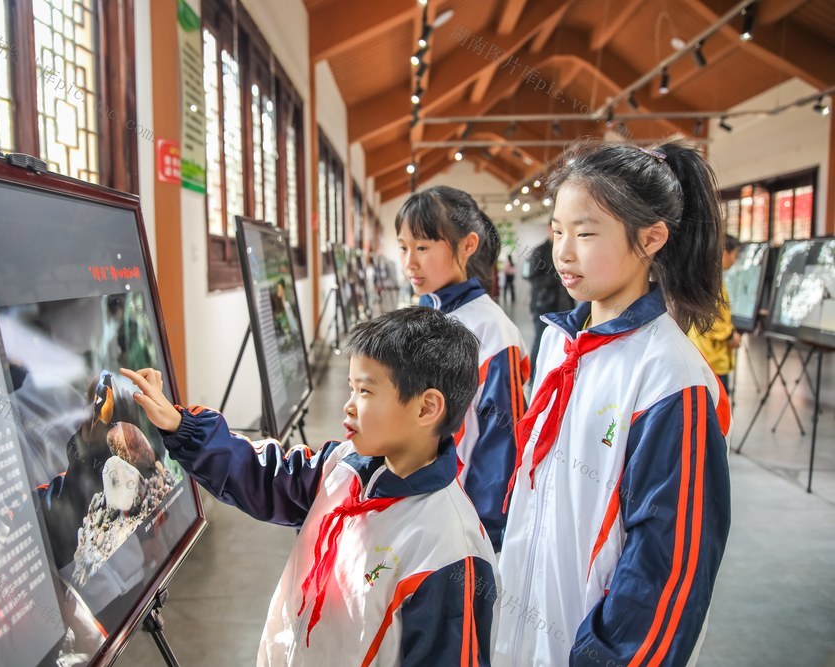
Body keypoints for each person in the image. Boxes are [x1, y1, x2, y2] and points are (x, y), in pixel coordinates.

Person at [121, 307, 500, 666]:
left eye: (365, 392)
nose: (348, 406)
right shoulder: (342, 466)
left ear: (426, 408)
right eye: (350, 388)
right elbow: (263, 477)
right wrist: (180, 426)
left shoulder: (449, 551)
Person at [495, 141, 731, 666]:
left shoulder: (672, 379)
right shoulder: (560, 341)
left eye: (584, 233)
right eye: (557, 231)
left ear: (651, 239)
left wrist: (601, 654)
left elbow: (670, 566)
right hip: (528, 631)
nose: (563, 252)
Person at [396, 185, 529, 553]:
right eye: (403, 247)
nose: (410, 262)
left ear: (468, 245)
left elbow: (502, 439)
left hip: (459, 519)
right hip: (416, 505)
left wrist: (485, 533)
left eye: (423, 247)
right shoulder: (424, 316)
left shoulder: (492, 331)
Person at [688, 234, 742, 393]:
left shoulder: (706, 276)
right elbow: (712, 318)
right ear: (725, 252)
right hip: (712, 357)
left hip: (702, 353)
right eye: (735, 255)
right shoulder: (711, 280)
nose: (734, 260)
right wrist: (731, 335)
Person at [526, 231, 575, 371]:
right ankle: (534, 377)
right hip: (543, 305)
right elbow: (532, 277)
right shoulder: (540, 251)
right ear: (550, 228)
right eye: (558, 231)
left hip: (564, 306)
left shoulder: (563, 251)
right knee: (541, 341)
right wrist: (556, 278)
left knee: (562, 343)